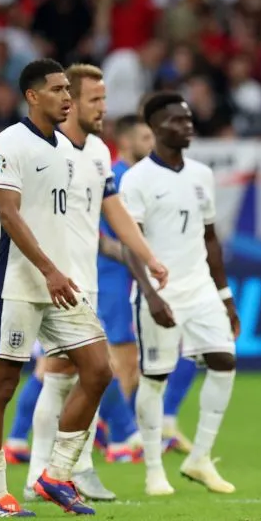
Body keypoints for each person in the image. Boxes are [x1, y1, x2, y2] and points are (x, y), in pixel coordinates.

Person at [0, 59, 161, 517]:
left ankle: (57, 474)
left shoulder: (68, 148)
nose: (66, 97)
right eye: (58, 90)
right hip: (17, 282)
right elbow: (9, 215)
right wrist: (50, 270)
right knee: (0, 387)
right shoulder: (9, 143)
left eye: (67, 89)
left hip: (63, 284)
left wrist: (136, 257)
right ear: (33, 96)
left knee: (98, 369)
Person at [120, 92, 241, 497]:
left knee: (224, 360)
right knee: (154, 379)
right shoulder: (136, 179)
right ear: (155, 128)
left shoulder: (201, 174)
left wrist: (224, 295)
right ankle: (154, 469)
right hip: (161, 293)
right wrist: (151, 296)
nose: (187, 126)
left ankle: (199, 457)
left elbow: (210, 239)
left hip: (201, 288)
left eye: (189, 120)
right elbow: (127, 244)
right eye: (177, 121)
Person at [96, 114, 154, 463]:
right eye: (146, 137)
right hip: (111, 276)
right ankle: (120, 437)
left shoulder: (137, 178)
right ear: (128, 141)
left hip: (129, 275)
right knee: (121, 359)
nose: (152, 143)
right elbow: (98, 232)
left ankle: (112, 429)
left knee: (131, 362)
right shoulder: (115, 177)